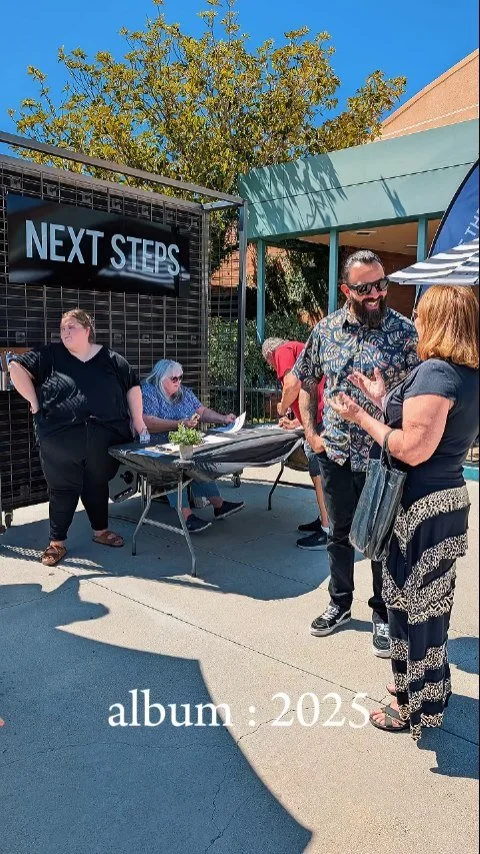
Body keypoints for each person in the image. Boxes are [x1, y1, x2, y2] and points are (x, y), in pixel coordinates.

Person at [329, 285, 479, 737]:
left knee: (410, 607)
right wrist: (383, 398)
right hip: (443, 504)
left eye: (421, 311)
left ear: (439, 319)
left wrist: (361, 417)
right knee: (430, 605)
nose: (414, 318)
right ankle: (425, 689)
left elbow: (412, 447)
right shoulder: (465, 374)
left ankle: (411, 702)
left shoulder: (436, 372)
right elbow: (426, 426)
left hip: (418, 510)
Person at [295, 249, 418, 657]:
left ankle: (382, 613)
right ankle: (340, 602)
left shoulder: (405, 333)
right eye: (365, 288)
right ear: (346, 289)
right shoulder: (325, 330)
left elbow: (420, 395)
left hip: (381, 457)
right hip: (335, 455)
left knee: (381, 538)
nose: (376, 294)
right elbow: (306, 380)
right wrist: (312, 434)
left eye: (381, 284)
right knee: (338, 533)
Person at [9, 309, 146, 566]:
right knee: (62, 489)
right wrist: (34, 402)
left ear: (87, 330)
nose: (65, 332)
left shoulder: (110, 358)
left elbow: (132, 385)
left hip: (105, 438)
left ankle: (100, 531)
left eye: (71, 327)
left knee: (97, 484)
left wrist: (138, 421)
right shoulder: (49, 355)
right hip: (59, 438)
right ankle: (56, 543)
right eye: (62, 328)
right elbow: (15, 366)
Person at [141, 360, 244, 533]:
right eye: (174, 379)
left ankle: (218, 504)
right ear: (160, 378)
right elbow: (147, 422)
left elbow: (201, 411)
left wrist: (224, 419)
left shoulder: (183, 392)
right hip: (156, 445)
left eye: (180, 377)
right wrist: (179, 424)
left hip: (181, 444)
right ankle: (186, 515)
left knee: (197, 461)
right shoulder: (149, 392)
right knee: (171, 468)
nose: (178, 382)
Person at [261, 337, 329, 550]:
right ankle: (324, 518)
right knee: (321, 472)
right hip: (321, 416)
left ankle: (327, 529)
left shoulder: (281, 351)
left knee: (319, 472)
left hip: (320, 420)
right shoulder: (297, 350)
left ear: (269, 356)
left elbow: (292, 384)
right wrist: (296, 422)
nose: (275, 369)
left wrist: (282, 407)